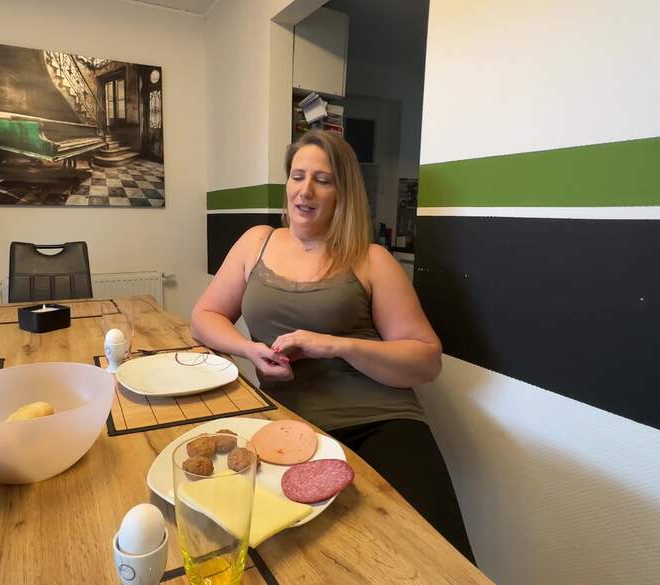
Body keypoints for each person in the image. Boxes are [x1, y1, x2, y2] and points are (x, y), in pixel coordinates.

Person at [190, 130, 475, 562]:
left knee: (437, 557)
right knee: (302, 558)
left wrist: (336, 346)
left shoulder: (371, 258)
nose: (304, 190)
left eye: (322, 180)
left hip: (381, 421)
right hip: (288, 427)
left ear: (343, 193)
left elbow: (425, 360)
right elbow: (205, 316)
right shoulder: (256, 242)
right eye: (297, 176)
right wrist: (250, 351)